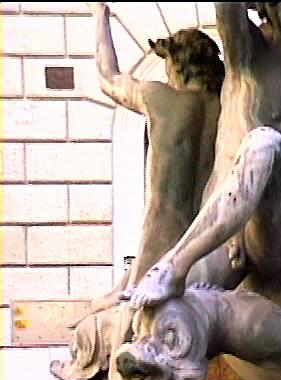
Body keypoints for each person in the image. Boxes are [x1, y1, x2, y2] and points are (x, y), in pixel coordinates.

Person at [122, 2, 281, 310]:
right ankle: (173, 274)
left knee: (264, 144)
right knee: (160, 313)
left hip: (274, 233)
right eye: (272, 2)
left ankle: (173, 268)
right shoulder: (246, 52)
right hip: (221, 229)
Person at [88, 3, 224, 311]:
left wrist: (99, 15)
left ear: (177, 64)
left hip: (160, 245)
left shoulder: (160, 98)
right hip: (207, 250)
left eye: (167, 68)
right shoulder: (228, 108)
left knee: (115, 320)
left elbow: (108, 77)